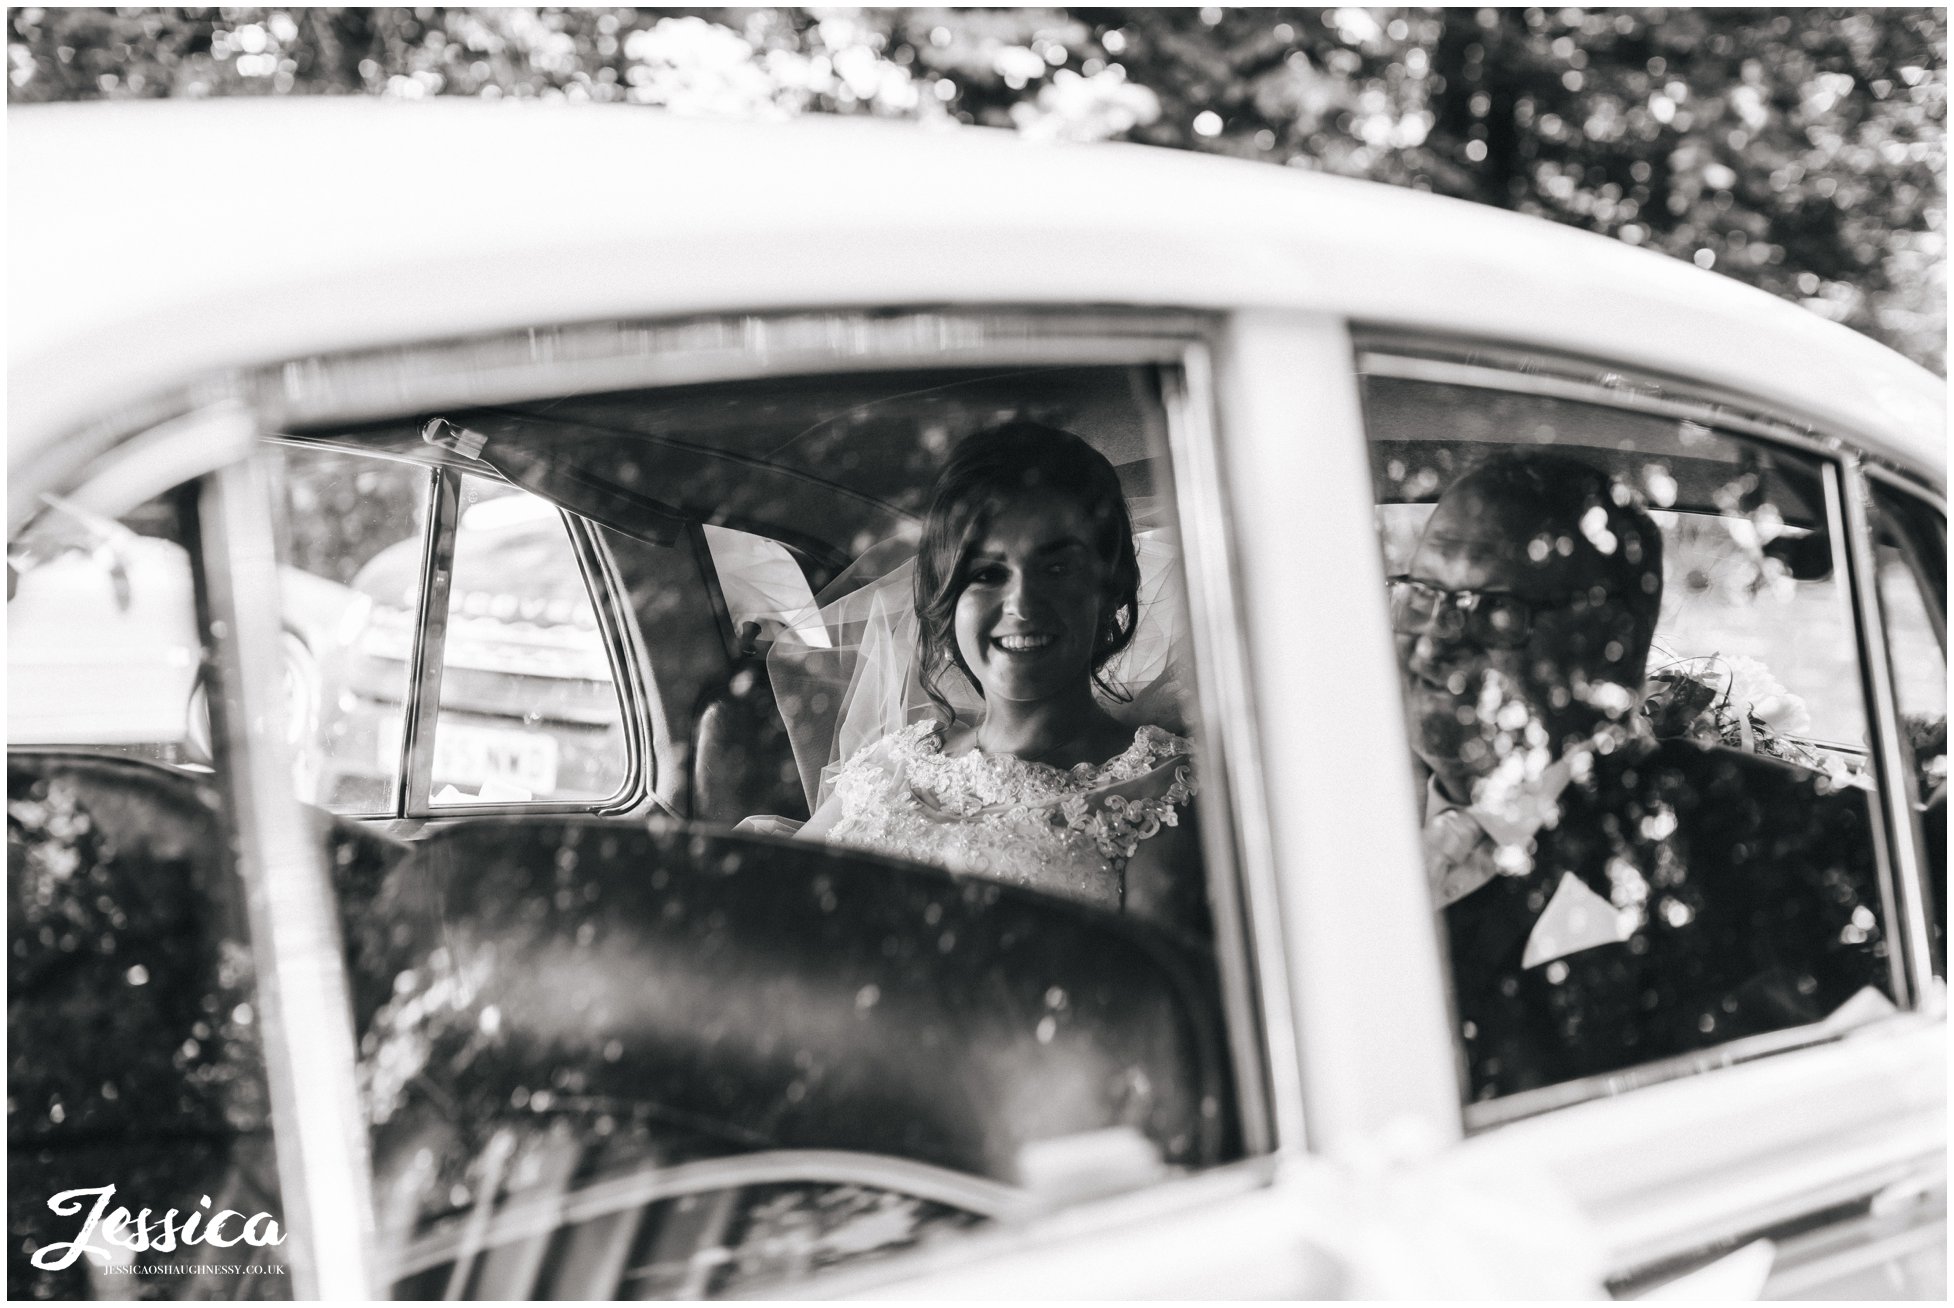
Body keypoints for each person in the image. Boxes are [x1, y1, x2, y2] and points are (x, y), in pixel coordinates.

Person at [1394, 450, 1889, 1099]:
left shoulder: (1739, 832)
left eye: (1493, 609)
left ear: (1611, 639)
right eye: (1424, 597)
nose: (1434, 641)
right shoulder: (1317, 805)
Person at [776, 421, 1201, 928]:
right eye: (986, 574)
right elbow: (773, 922)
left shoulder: (1166, 792)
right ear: (949, 599)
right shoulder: (887, 764)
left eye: (1057, 569)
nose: (1021, 604)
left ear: (1109, 590)